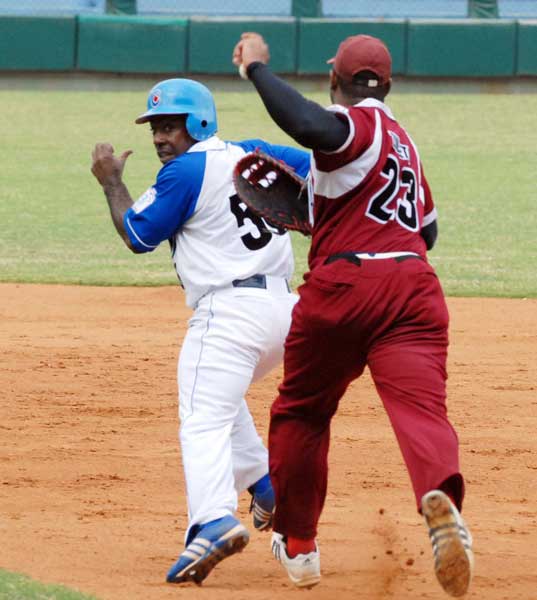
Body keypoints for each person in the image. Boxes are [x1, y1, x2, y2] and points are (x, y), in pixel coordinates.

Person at [232, 33, 474, 597]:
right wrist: (328, 211)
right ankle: (440, 496)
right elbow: (426, 231)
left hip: (345, 287)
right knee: (422, 411)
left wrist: (257, 70)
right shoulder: (405, 143)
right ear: (388, 85)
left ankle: (299, 545)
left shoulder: (353, 124)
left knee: (302, 413)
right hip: (413, 290)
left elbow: (313, 127)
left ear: (335, 81)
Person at [90, 78, 310, 585]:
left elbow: (137, 235)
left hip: (231, 314)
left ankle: (212, 520)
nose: (160, 138)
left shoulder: (185, 172)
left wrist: (110, 182)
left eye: (171, 126)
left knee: (202, 415)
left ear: (200, 122)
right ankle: (266, 486)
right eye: (155, 129)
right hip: (286, 314)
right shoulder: (255, 152)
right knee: (220, 396)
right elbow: (319, 170)